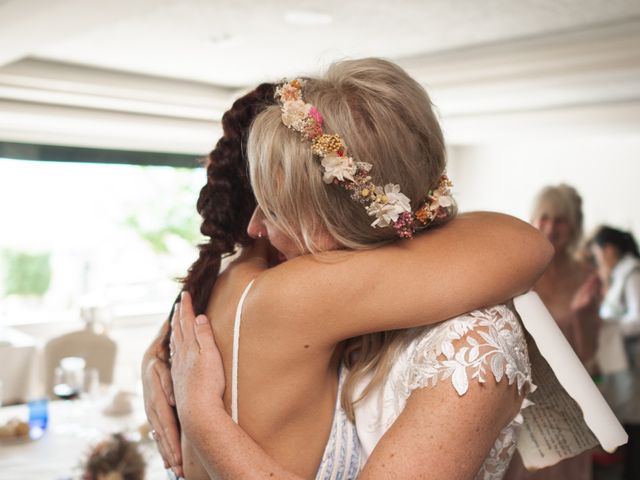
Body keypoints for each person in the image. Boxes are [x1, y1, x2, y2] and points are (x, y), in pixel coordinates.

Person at [143, 59, 552, 479]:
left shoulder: (470, 341)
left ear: (339, 217)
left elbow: (527, 244)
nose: (255, 229)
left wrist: (201, 417)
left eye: (277, 210)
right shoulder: (305, 291)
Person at [504, 184, 601, 480]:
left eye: (560, 220)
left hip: (563, 403)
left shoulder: (586, 277)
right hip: (516, 400)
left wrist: (581, 315)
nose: (550, 227)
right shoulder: (517, 270)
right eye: (544, 217)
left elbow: (588, 354)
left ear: (573, 227)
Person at [590, 226, 640, 480]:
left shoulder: (632, 273)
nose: (598, 258)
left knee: (631, 430)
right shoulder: (619, 274)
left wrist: (608, 327)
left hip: (632, 361)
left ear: (609, 249)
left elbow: (638, 318)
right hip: (621, 361)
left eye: (598, 253)